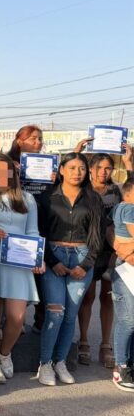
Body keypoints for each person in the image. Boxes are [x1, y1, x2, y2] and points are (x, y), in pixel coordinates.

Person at [36, 152, 104, 386]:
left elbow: (97, 237)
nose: (77, 172)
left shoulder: (93, 199)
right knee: (55, 312)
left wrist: (85, 265)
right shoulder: (47, 197)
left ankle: (60, 361)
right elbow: (40, 233)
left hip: (82, 257)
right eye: (72, 167)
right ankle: (45, 363)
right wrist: (53, 261)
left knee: (69, 316)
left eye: (82, 168)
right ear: (62, 170)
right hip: (54, 257)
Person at [0, 153, 43, 385]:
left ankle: (5, 352)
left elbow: (33, 231)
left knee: (17, 317)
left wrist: (38, 258)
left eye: (6, 171)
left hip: (19, 262)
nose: (2, 176)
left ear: (13, 173)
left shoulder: (27, 198)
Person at [76, 153, 122, 368]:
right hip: (88, 249)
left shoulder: (116, 191)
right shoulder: (83, 189)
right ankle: (83, 341)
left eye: (108, 168)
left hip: (111, 250)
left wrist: (128, 162)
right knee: (87, 296)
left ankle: (106, 345)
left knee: (108, 296)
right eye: (99, 168)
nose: (103, 172)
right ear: (91, 169)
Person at [109, 179, 134, 391]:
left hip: (126, 262)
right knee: (128, 319)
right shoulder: (129, 209)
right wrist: (121, 246)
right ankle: (121, 367)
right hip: (127, 268)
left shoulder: (119, 207)